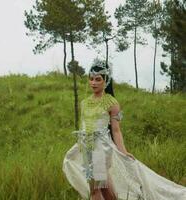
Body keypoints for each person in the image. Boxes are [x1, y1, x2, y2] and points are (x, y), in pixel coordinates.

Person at [62, 62, 186, 200]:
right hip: (87, 148)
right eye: (91, 79)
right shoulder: (84, 103)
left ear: (106, 81)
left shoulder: (112, 103)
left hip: (100, 149)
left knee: (94, 191)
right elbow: (83, 127)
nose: (93, 83)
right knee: (106, 191)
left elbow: (116, 130)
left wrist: (123, 151)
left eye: (98, 79)